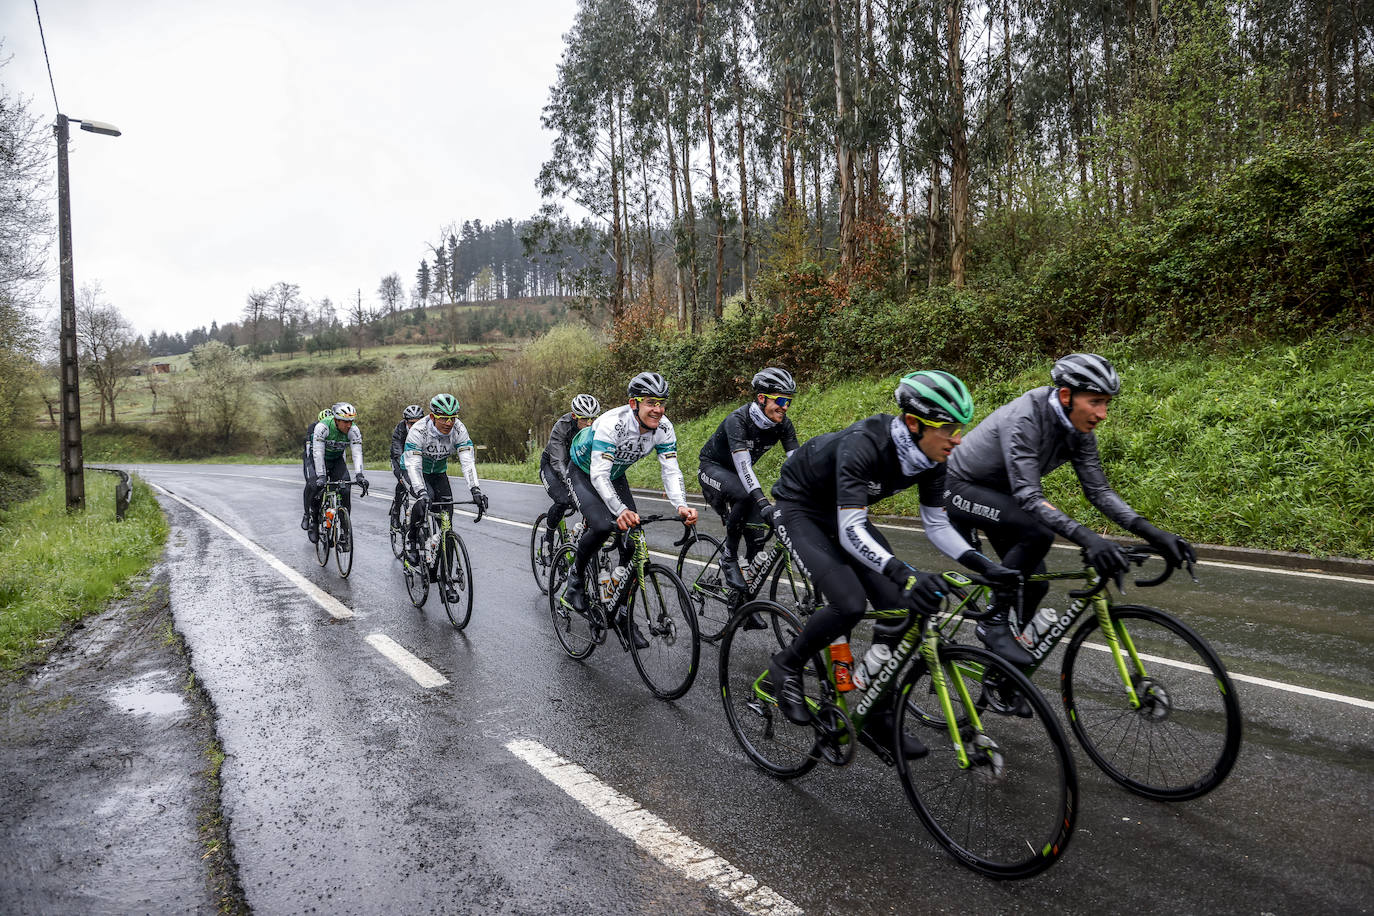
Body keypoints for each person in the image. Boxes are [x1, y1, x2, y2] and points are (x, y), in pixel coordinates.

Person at [767, 371, 1021, 756]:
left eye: (960, 428)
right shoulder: (865, 444)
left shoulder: (934, 457)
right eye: (949, 428)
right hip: (800, 508)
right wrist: (906, 573)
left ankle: (878, 713)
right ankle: (786, 665)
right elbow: (852, 530)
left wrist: (986, 567)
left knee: (901, 607)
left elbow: (936, 523)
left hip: (843, 512)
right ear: (915, 423)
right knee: (849, 603)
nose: (958, 439)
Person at [944, 352, 1196, 669]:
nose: (1103, 413)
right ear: (1066, 395)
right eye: (1095, 402)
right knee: (1036, 533)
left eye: (1107, 403)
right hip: (959, 485)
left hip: (1003, 496)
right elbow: (1029, 497)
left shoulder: (1080, 430)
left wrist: (1154, 534)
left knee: (1035, 583)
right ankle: (992, 622)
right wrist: (1090, 539)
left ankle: (1003, 673)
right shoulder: (1026, 417)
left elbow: (1098, 491)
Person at [559, 372, 698, 647]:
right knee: (600, 525)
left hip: (615, 474)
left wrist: (681, 504)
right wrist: (620, 509)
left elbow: (671, 470)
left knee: (634, 540)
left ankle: (621, 612)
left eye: (661, 402)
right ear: (634, 404)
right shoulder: (612, 424)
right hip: (585, 472)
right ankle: (575, 581)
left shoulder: (664, 428)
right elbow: (599, 475)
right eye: (650, 402)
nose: (657, 409)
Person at [697, 367, 800, 591]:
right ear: (761, 398)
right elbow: (744, 466)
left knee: (757, 537)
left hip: (736, 475)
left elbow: (798, 464)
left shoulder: (783, 424)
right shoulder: (738, 420)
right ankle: (729, 557)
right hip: (712, 468)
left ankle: (743, 600)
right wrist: (763, 502)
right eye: (781, 400)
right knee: (746, 496)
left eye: (788, 401)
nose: (785, 407)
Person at [402, 393, 488, 567]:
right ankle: (410, 540)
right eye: (443, 418)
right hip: (415, 472)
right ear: (433, 417)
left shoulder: (459, 429)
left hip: (439, 473)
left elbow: (467, 462)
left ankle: (446, 579)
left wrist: (475, 489)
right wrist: (421, 491)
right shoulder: (418, 430)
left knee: (447, 523)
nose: (449, 423)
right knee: (425, 499)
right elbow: (414, 465)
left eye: (452, 418)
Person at [539, 393, 601, 549]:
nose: (589, 423)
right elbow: (558, 461)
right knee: (564, 500)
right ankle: (548, 539)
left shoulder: (597, 427)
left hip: (577, 466)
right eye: (584, 419)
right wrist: (570, 484)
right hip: (553, 465)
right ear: (574, 416)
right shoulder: (562, 427)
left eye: (592, 419)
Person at [303, 402, 368, 546]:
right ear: (336, 420)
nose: (349, 425)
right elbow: (318, 453)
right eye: (345, 422)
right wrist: (321, 476)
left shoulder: (354, 430)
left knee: (345, 489)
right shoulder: (323, 427)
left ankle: (345, 533)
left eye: (351, 421)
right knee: (316, 487)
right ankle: (313, 520)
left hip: (336, 460)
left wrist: (360, 475)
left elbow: (357, 453)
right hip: (320, 460)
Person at [389, 404, 426, 530]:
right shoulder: (400, 429)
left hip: (416, 458)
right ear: (406, 422)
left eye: (418, 422)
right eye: (411, 423)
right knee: (403, 481)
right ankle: (396, 511)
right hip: (399, 459)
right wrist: (405, 471)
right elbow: (397, 451)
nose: (414, 426)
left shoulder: (425, 429)